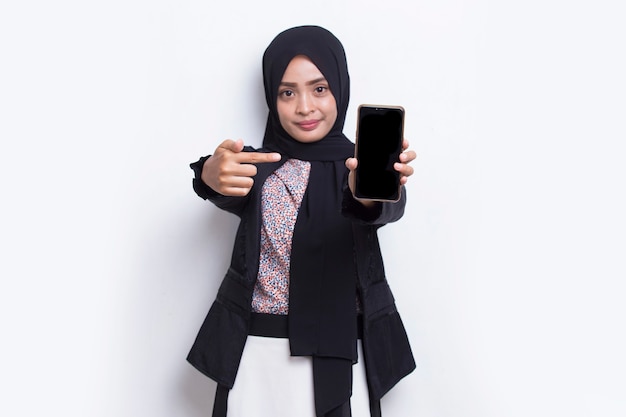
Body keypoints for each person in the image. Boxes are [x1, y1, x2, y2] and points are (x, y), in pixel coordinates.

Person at [187, 25, 416, 417]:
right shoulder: (259, 165)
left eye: (319, 89)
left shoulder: (360, 165)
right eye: (287, 92)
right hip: (259, 354)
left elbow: (387, 209)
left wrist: (368, 193)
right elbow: (223, 185)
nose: (305, 107)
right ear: (271, 96)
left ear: (340, 90)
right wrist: (208, 173)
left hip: (347, 353)